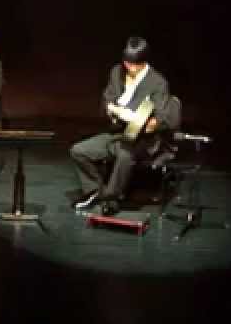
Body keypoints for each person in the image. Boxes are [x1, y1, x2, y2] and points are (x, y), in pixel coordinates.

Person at [70, 36, 180, 216]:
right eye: (127, 63)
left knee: (125, 154)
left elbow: (163, 120)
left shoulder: (158, 83)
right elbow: (107, 98)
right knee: (79, 151)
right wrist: (112, 110)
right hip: (118, 133)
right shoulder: (117, 72)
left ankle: (110, 199)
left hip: (144, 139)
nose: (129, 67)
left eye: (134, 65)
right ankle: (96, 191)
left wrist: (139, 120)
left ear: (144, 63)